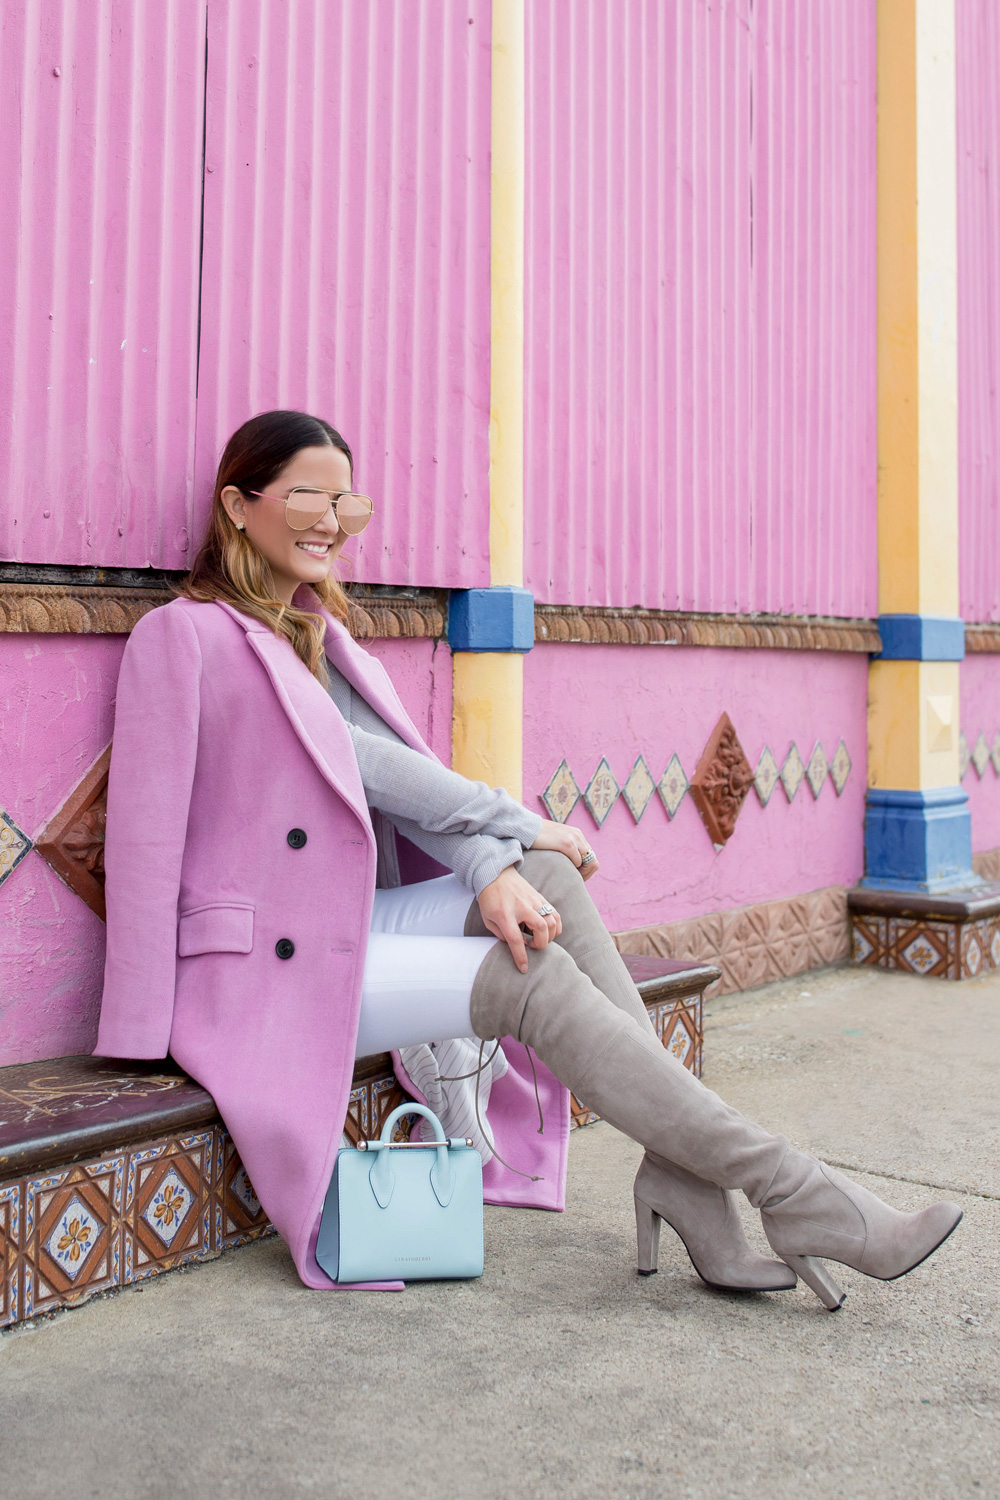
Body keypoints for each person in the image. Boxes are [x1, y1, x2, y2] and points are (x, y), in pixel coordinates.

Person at [95, 409, 962, 1309]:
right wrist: (138, 1028)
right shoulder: (184, 636)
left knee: (541, 882)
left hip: (344, 930)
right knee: (529, 968)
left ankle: (687, 1177)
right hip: (255, 971)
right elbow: (165, 835)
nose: (330, 521)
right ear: (239, 504)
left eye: (346, 503)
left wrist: (498, 861)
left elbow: (404, 792)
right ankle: (796, 1191)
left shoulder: (324, 639)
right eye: (308, 495)